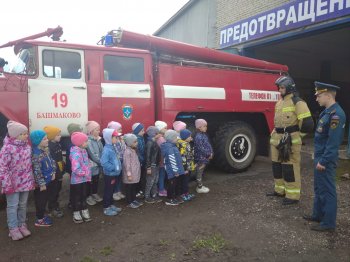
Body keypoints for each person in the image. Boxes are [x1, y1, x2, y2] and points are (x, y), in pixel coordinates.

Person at [303, 82, 346, 232]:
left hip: (325, 159)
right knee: (318, 187)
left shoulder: (336, 115)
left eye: (319, 95)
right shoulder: (325, 112)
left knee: (327, 190)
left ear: (328, 95)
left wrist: (324, 160)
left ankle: (328, 223)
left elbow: (333, 143)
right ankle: (318, 214)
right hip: (320, 156)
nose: (316, 98)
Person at [267, 76, 314, 205]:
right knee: (276, 166)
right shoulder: (279, 102)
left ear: (289, 88)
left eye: (282, 88)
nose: (279, 90)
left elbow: (308, 124)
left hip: (290, 142)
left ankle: (292, 196)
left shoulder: (298, 102)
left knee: (289, 168)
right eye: (279, 88)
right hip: (277, 140)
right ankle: (279, 190)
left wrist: (297, 138)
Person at [0, 121, 35, 240]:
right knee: (12, 206)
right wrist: (6, 184)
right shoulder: (7, 148)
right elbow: (3, 168)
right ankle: (13, 228)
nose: (27, 136)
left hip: (25, 182)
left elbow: (29, 165)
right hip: (12, 184)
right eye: (24, 134)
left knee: (23, 205)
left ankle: (21, 224)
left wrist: (31, 179)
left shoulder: (27, 147)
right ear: (16, 135)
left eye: (26, 133)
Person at [31, 130, 56, 227]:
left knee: (45, 199)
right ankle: (39, 219)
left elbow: (52, 161)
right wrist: (41, 184)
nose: (47, 140)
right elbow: (37, 171)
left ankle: (42, 215)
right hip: (42, 184)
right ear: (37, 141)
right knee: (40, 201)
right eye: (44, 139)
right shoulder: (36, 155)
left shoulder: (46, 149)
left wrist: (53, 171)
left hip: (48, 180)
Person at [70, 132, 92, 223]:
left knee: (83, 196)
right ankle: (76, 212)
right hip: (77, 181)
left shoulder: (84, 151)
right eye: (86, 141)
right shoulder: (76, 154)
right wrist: (85, 173)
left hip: (84, 179)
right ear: (80, 143)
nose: (88, 142)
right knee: (77, 197)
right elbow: (75, 169)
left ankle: (84, 210)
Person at [44, 125, 65, 218]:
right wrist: (57, 173)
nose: (60, 136)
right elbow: (52, 162)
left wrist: (62, 168)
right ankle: (52, 208)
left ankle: (55, 204)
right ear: (52, 136)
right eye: (58, 135)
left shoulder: (57, 144)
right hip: (54, 173)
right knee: (53, 190)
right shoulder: (49, 147)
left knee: (58, 189)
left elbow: (59, 159)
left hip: (59, 170)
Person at [100, 128, 122, 216]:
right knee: (108, 191)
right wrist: (114, 168)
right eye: (115, 137)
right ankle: (106, 208)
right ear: (109, 138)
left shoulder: (112, 147)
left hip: (114, 174)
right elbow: (104, 162)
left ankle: (111, 205)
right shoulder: (106, 149)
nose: (117, 139)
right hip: (110, 174)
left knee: (111, 190)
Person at [161, 130, 185, 206]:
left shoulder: (173, 146)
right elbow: (172, 160)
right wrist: (175, 171)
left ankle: (174, 197)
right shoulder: (170, 148)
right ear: (171, 139)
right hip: (172, 171)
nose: (177, 139)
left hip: (175, 170)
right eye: (175, 138)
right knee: (171, 185)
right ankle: (169, 199)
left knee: (175, 184)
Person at [85, 121, 103, 206]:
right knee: (89, 181)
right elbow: (92, 155)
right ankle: (88, 196)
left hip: (98, 164)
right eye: (97, 130)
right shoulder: (88, 141)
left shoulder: (98, 139)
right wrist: (101, 162)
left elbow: (102, 151)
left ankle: (94, 193)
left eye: (99, 130)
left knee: (96, 180)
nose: (99, 131)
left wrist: (102, 161)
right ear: (91, 131)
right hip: (91, 165)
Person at [65, 123, 83, 208]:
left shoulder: (71, 141)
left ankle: (73, 202)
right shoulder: (73, 144)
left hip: (72, 168)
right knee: (75, 187)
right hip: (74, 169)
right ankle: (73, 203)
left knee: (75, 187)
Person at [123, 134, 143, 208]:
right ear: (130, 143)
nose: (136, 143)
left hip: (134, 174)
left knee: (133, 188)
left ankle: (133, 199)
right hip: (130, 175)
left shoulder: (133, 150)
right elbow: (127, 164)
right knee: (129, 188)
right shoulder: (127, 152)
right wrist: (129, 175)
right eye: (135, 142)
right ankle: (129, 202)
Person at [107, 121, 126, 201]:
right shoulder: (112, 140)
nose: (121, 130)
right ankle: (114, 192)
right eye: (119, 129)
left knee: (119, 177)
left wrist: (122, 141)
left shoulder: (119, 138)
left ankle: (118, 191)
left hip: (121, 161)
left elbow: (123, 149)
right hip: (115, 162)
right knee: (114, 178)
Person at [194, 119, 213, 194]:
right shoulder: (198, 137)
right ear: (199, 127)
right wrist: (208, 154)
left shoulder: (204, 135)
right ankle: (199, 187)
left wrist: (211, 152)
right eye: (204, 126)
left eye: (206, 126)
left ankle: (200, 185)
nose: (206, 128)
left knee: (201, 171)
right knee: (199, 172)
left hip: (204, 157)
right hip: (200, 158)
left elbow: (208, 144)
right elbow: (201, 148)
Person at [144, 126, 162, 204]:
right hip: (152, 165)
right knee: (150, 181)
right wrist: (148, 167)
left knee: (155, 180)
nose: (160, 135)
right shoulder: (150, 143)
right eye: (158, 133)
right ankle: (147, 196)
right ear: (153, 134)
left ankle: (154, 194)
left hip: (156, 164)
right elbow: (147, 156)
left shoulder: (154, 141)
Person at [177, 129, 196, 201]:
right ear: (185, 137)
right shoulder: (186, 145)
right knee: (185, 181)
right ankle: (185, 195)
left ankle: (181, 193)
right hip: (186, 168)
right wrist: (186, 169)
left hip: (181, 167)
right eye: (189, 136)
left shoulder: (179, 143)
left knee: (181, 181)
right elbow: (185, 158)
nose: (191, 138)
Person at [132, 123, 146, 199]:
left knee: (140, 177)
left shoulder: (141, 138)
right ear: (137, 131)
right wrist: (142, 160)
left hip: (142, 161)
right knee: (137, 177)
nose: (144, 132)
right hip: (139, 161)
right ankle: (137, 191)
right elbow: (137, 152)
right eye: (142, 131)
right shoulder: (136, 139)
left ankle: (139, 189)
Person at [155, 120, 168, 197]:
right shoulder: (161, 139)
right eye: (165, 128)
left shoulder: (158, 138)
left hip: (159, 160)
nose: (166, 129)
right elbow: (164, 150)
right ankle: (161, 190)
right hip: (162, 161)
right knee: (161, 175)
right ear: (160, 129)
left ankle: (159, 188)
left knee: (159, 175)